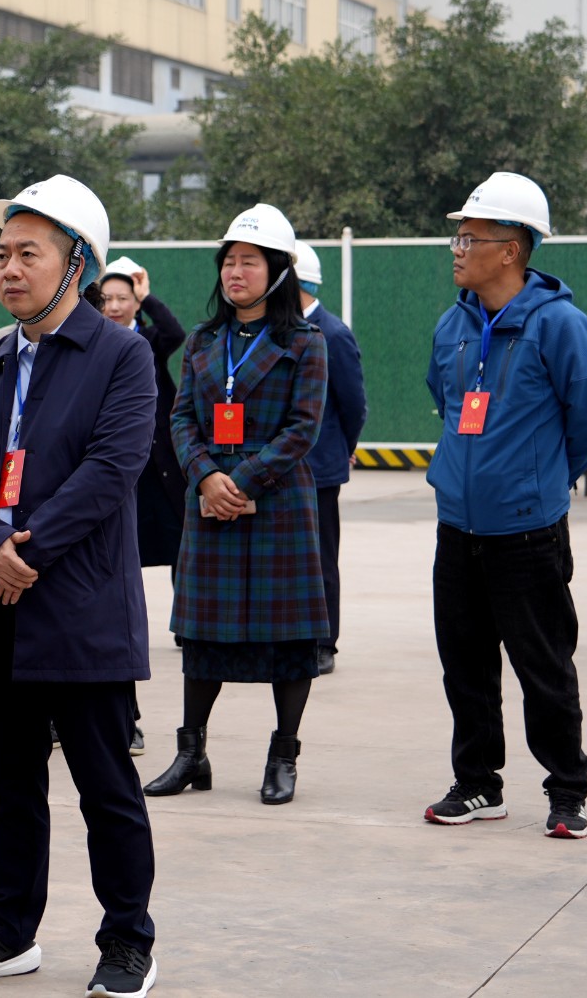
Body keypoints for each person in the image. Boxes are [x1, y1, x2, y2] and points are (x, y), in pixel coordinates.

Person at [0, 176, 158, 998]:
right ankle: (9, 930)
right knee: (10, 784)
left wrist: (28, 550)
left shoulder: (121, 354)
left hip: (79, 605)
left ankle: (128, 939)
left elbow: (112, 468)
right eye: (2, 254)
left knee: (106, 787)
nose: (9, 269)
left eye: (29, 253)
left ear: (78, 265)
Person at [423, 171, 587, 839]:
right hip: (457, 529)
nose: (458, 249)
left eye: (470, 238)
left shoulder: (560, 325)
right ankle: (477, 784)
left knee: (543, 667)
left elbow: (584, 419)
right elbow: (444, 398)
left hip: (527, 534)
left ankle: (568, 789)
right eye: (457, 238)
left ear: (511, 250)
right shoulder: (453, 325)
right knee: (464, 667)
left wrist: (538, 483)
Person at [144, 203, 328, 808]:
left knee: (291, 637)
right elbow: (181, 418)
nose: (235, 272)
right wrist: (205, 479)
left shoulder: (305, 341)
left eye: (249, 261)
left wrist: (242, 481)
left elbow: (303, 428)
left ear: (278, 271)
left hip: (276, 501)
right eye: (228, 261)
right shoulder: (203, 340)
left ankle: (283, 756)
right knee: (202, 635)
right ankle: (191, 754)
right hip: (210, 498)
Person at [100, 255, 185, 756]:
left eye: (123, 298)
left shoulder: (149, 341)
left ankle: (184, 623)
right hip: (106, 480)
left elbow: (174, 330)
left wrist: (147, 292)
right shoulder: (87, 346)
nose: (114, 306)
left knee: (177, 549)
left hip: (157, 471)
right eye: (106, 298)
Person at [293, 242, 366, 676]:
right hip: (280, 469)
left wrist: (342, 448)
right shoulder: (276, 330)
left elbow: (354, 405)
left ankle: (324, 643)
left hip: (319, 469)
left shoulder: (332, 333)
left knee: (320, 560)